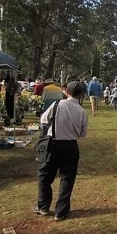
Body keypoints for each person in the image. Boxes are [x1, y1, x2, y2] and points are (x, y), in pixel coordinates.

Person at [33, 81, 88, 221]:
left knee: (44, 175)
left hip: (53, 144)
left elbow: (44, 120)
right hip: (71, 146)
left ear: (66, 91)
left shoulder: (57, 105)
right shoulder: (82, 111)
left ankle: (43, 206)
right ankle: (61, 211)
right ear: (81, 94)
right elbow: (83, 133)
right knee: (67, 179)